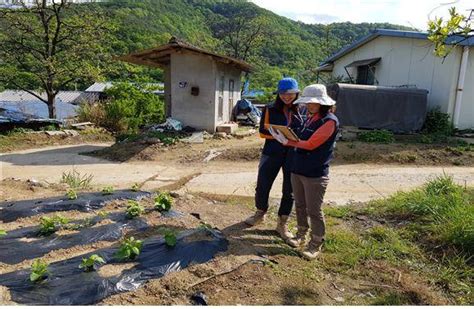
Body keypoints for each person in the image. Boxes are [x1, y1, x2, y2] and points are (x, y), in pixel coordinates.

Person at [269, 84, 339, 260]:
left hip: (315, 173)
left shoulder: (329, 121)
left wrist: (287, 142)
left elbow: (310, 144)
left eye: (313, 103)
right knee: (299, 205)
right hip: (298, 168)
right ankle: (301, 233)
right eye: (307, 102)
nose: (309, 105)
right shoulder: (310, 117)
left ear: (322, 103)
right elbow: (301, 138)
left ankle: (316, 242)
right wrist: (286, 134)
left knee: (314, 210)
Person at [244, 77, 300, 242]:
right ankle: (260, 212)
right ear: (278, 94)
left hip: (293, 153)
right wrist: (279, 136)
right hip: (272, 151)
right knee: (263, 183)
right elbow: (262, 131)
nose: (286, 97)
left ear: (297, 93)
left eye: (290, 94)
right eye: (283, 93)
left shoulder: (302, 109)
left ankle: (282, 223)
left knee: (290, 189)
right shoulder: (270, 109)